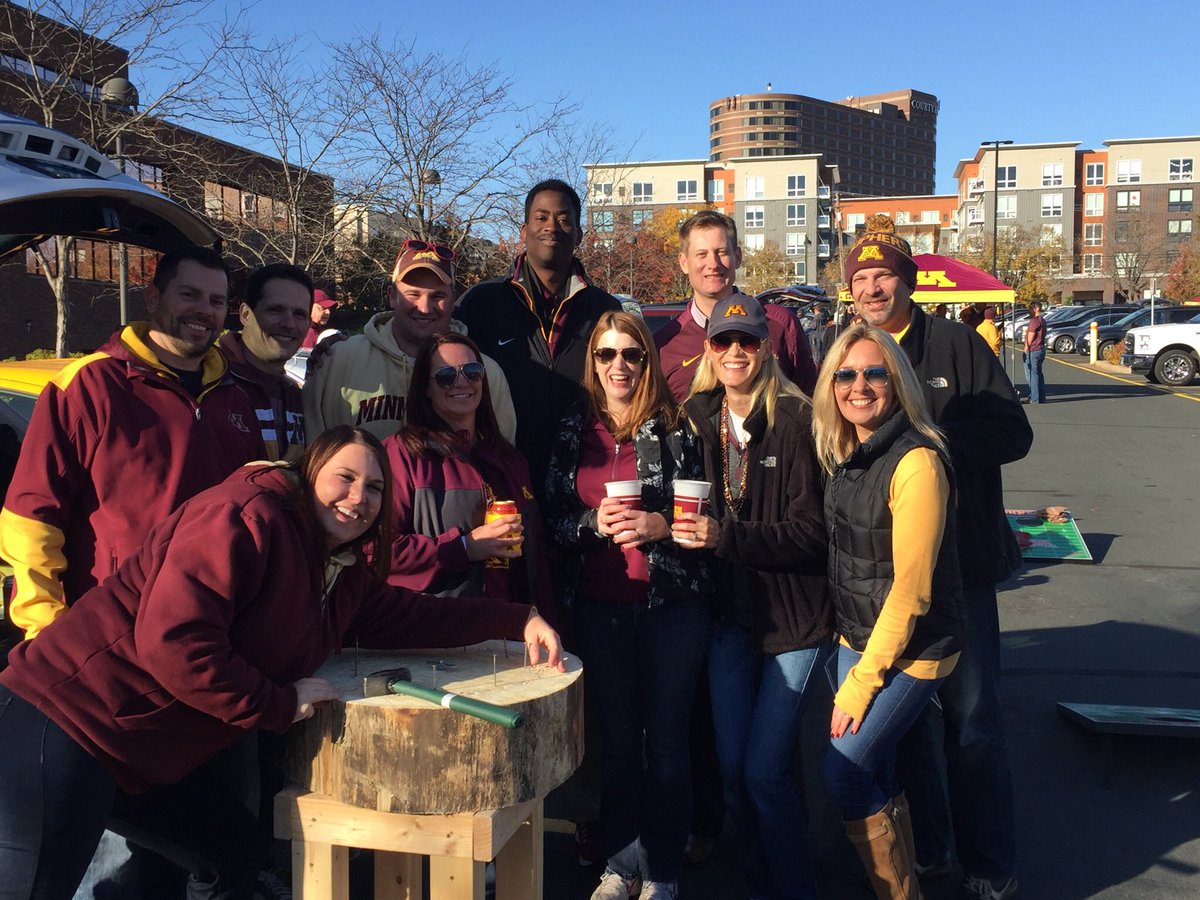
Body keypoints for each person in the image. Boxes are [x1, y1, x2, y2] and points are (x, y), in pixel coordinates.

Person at [0, 426, 562, 900]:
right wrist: (279, 702)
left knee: (232, 855)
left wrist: (517, 619)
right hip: (66, 721)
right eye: (345, 477)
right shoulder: (243, 517)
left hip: (138, 751)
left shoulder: (336, 567)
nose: (358, 498)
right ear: (310, 469)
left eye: (373, 488)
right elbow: (175, 642)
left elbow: (406, 615)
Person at [0, 244, 266, 899]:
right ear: (153, 297)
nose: (203, 311)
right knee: (92, 848)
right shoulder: (89, 385)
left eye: (215, 300)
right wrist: (45, 627)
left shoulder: (233, 394)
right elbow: (31, 516)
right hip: (104, 663)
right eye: (190, 295)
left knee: (202, 841)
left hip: (202, 654)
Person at [847, 214, 1031, 900]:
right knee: (907, 728)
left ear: (908, 282)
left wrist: (935, 443)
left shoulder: (955, 344)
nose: (872, 287)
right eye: (861, 278)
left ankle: (989, 863)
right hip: (885, 580)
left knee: (974, 721)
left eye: (883, 275)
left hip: (963, 570)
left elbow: (1014, 432)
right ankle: (928, 848)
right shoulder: (851, 351)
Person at [544, 311, 712, 900]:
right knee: (617, 742)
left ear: (647, 362)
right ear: (593, 363)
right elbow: (552, 523)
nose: (619, 366)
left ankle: (662, 868)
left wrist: (664, 522)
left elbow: (710, 517)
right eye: (607, 355)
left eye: (631, 355)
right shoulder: (574, 429)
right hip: (599, 607)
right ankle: (621, 862)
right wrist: (592, 521)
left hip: (672, 606)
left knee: (667, 743)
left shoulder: (679, 427)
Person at [673, 295, 831, 900]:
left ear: (767, 348)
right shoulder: (695, 417)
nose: (735, 352)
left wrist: (726, 536)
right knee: (734, 771)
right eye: (723, 341)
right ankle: (761, 883)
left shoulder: (797, 419)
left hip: (793, 617)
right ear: (708, 349)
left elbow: (812, 532)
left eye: (748, 341)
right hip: (729, 619)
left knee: (766, 771)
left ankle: (796, 888)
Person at [812, 323, 965, 900]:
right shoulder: (850, 451)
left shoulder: (916, 463)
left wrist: (861, 681)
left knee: (845, 771)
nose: (859, 386)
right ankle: (913, 868)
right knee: (877, 771)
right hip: (861, 639)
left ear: (897, 381)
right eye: (845, 374)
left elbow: (911, 592)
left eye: (875, 373)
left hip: (913, 652)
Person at [455, 179, 622, 490]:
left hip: (583, 480)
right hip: (501, 478)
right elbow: (436, 362)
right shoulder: (481, 303)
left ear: (579, 233)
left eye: (563, 218)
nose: (552, 226)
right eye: (541, 217)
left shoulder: (605, 310)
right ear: (523, 231)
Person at [382, 332, 552, 611]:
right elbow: (379, 551)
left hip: (510, 628)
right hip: (438, 631)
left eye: (472, 372)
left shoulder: (509, 459)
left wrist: (545, 620)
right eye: (446, 376)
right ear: (425, 387)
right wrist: (463, 548)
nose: (461, 382)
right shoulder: (400, 455)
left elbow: (537, 557)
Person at [303, 240, 516, 442]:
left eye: (437, 296)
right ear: (392, 296)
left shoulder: (482, 372)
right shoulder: (337, 362)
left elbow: (502, 461)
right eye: (412, 294)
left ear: (453, 299)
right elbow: (311, 454)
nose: (424, 308)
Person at [655, 210, 817, 402]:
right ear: (684, 263)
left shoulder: (779, 324)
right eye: (701, 254)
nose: (713, 264)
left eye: (721, 252)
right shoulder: (664, 344)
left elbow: (809, 404)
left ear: (737, 257)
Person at [219, 262, 312, 462]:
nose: (289, 324)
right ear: (245, 314)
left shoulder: (296, 395)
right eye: (275, 310)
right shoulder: (210, 381)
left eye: (299, 314)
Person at [1023, 301, 1046, 404]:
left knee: (1033, 374)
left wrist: (1026, 349)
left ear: (1037, 309)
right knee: (1038, 373)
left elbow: (1030, 336)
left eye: (1031, 307)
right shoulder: (1043, 320)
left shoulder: (1034, 321)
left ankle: (1034, 398)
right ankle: (1041, 397)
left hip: (1034, 350)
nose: (1029, 309)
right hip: (1041, 349)